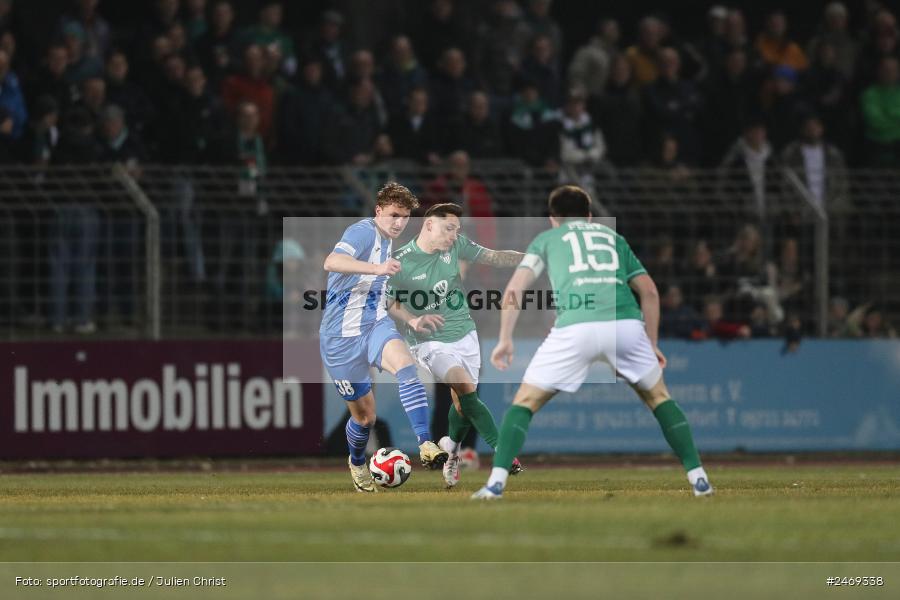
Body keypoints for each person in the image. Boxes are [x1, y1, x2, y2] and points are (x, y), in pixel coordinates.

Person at [472, 185, 713, 499]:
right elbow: (650, 292)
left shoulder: (546, 239)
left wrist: (505, 338)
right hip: (625, 324)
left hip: (576, 326)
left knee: (524, 404)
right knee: (659, 398)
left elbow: (514, 290)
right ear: (588, 216)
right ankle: (698, 478)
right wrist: (651, 343)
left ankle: (495, 484)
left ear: (552, 219)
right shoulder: (613, 238)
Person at [320, 182, 448, 493]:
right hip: (340, 337)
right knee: (365, 419)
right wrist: (376, 268)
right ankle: (356, 461)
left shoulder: (388, 241)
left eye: (405, 217)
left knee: (406, 368)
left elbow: (383, 297)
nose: (399, 222)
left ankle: (425, 442)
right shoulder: (362, 232)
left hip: (375, 326)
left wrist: (411, 318)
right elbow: (331, 262)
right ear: (378, 211)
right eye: (393, 215)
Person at [385, 202, 525, 488]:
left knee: (463, 404)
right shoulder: (400, 260)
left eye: (456, 230)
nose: (453, 235)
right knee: (463, 386)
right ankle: (503, 450)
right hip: (429, 342)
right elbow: (387, 300)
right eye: (449, 228)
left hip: (465, 334)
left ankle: (451, 452)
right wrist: (412, 319)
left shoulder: (456, 245)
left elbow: (495, 257)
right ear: (428, 225)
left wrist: (534, 258)